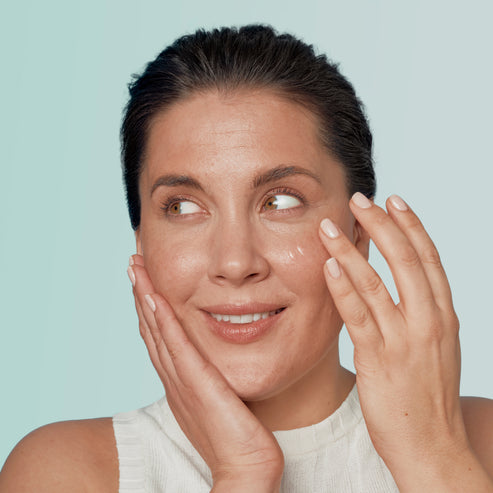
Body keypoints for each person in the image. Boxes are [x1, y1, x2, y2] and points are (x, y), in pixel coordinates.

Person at [1, 24, 492, 493]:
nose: (235, 264)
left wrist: (432, 455)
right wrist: (243, 473)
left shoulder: (479, 441)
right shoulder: (68, 471)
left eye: (281, 201)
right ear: (142, 243)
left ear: (359, 231)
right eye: (183, 207)